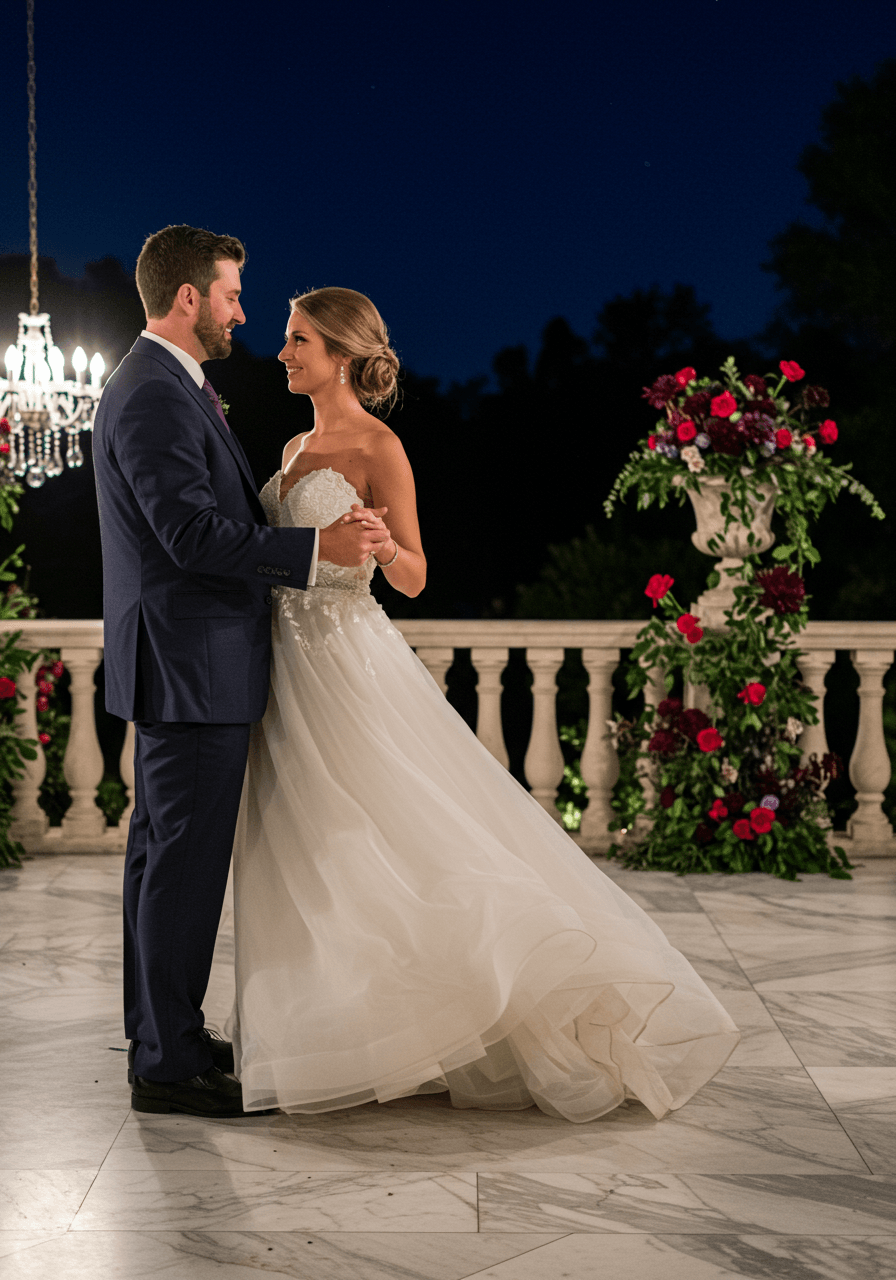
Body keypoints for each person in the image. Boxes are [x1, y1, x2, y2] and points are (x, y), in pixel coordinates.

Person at [228, 287, 740, 1123]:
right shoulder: (290, 444)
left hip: (347, 660)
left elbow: (417, 575)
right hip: (285, 664)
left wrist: (385, 543)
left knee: (390, 834)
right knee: (310, 849)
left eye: (298, 341)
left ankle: (482, 999)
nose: (282, 353)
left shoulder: (380, 445)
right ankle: (339, 1029)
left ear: (343, 357)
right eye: (286, 340)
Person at [93, 228, 387, 1119]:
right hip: (193, 667)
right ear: (188, 297)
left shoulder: (167, 388)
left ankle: (164, 1036)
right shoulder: (151, 395)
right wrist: (316, 548)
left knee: (159, 862)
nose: (241, 313)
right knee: (180, 866)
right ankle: (170, 1064)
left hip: (184, 663)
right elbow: (189, 537)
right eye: (229, 295)